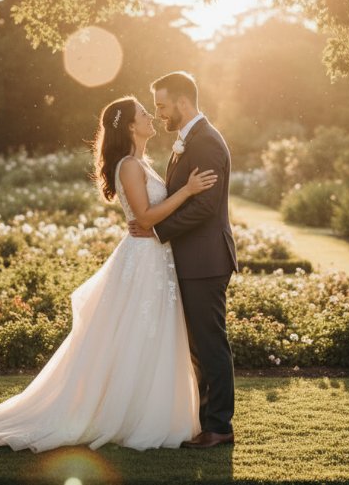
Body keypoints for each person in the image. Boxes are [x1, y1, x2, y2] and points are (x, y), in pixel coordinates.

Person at [0, 95, 218, 453]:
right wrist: (189, 191)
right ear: (129, 125)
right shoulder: (129, 165)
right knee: (138, 336)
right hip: (144, 260)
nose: (151, 117)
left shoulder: (141, 162)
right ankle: (130, 416)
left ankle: (146, 411)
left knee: (146, 337)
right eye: (144, 113)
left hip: (154, 259)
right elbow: (143, 218)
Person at [129, 71, 239, 449]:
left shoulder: (206, 141)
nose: (158, 113)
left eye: (161, 105)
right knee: (199, 346)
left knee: (210, 344)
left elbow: (205, 207)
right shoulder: (188, 139)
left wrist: (159, 231)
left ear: (182, 102)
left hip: (206, 260)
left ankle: (220, 426)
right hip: (194, 259)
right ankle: (207, 422)